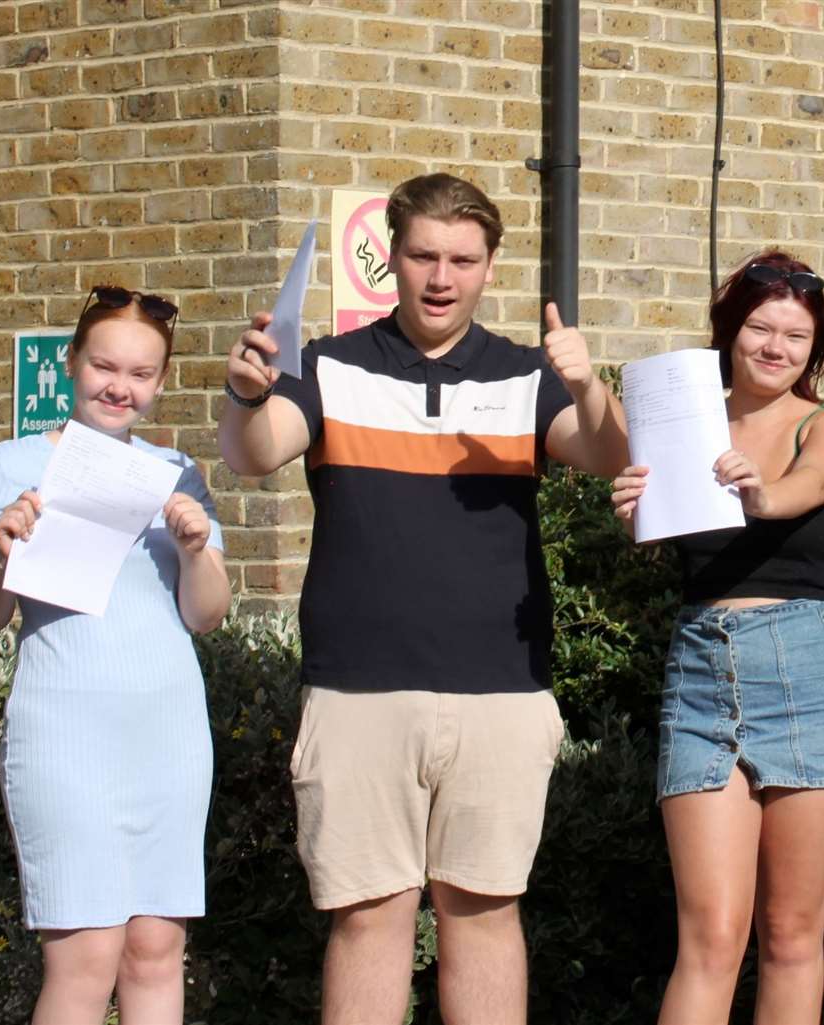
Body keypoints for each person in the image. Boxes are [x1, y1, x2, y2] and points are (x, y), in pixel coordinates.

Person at [218, 172, 628, 1025]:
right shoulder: (326, 366)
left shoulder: (525, 376)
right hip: (358, 689)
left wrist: (588, 384)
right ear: (391, 259)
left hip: (503, 692)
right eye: (424, 256)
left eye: (463, 260)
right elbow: (256, 454)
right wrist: (247, 394)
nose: (442, 277)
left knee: (484, 915)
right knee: (369, 921)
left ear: (488, 269)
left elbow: (604, 453)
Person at [0, 287, 230, 1025]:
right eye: (104, 364)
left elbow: (206, 615)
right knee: (86, 960)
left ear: (162, 381)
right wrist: (4, 554)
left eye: (141, 373)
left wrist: (198, 547)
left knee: (155, 953)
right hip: (65, 734)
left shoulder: (177, 471)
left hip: (167, 734)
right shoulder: (10, 464)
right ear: (70, 363)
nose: (120, 385)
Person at [609, 251, 824, 1025]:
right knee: (711, 937)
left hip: (806, 668)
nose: (775, 346)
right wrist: (635, 514)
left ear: (814, 349)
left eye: (796, 335)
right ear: (730, 331)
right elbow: (658, 527)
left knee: (792, 933)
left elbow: (814, 484)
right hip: (700, 666)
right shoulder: (681, 421)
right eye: (761, 326)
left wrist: (763, 494)